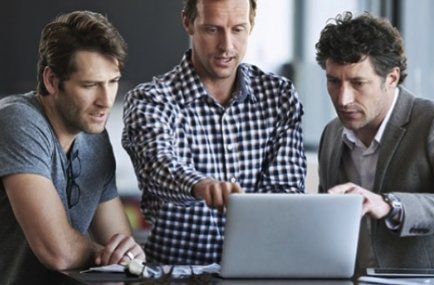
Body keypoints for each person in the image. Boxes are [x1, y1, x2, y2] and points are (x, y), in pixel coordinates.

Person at [0, 10, 144, 284]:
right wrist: (107, 255)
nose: (106, 101)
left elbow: (120, 243)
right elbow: (57, 252)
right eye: (90, 85)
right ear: (52, 81)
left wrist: (127, 253)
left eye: (112, 82)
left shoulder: (94, 137)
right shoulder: (16, 122)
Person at [122, 0, 307, 265]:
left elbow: (285, 190)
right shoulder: (151, 100)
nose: (227, 46)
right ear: (187, 22)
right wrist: (201, 186)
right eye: (212, 29)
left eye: (238, 29)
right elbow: (157, 165)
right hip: (176, 277)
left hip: (258, 273)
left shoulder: (279, 97)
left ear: (251, 25)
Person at [315, 11, 434, 270]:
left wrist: (389, 204)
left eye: (358, 83)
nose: (343, 99)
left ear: (391, 78)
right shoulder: (332, 134)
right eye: (333, 81)